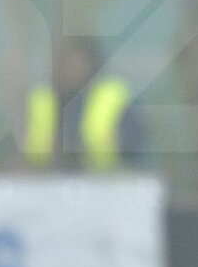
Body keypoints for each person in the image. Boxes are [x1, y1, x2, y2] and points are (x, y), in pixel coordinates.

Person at [23, 36, 148, 170]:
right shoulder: (42, 99)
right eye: (67, 62)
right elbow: (20, 147)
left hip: (106, 181)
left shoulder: (114, 96)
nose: (72, 68)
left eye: (78, 62)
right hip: (45, 181)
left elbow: (135, 144)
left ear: (92, 64)